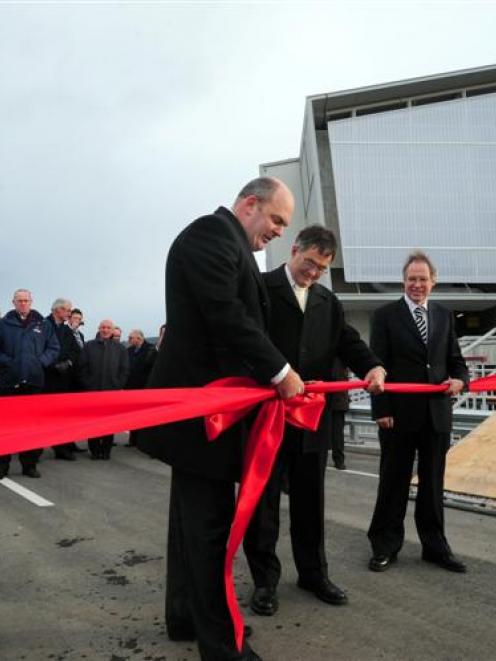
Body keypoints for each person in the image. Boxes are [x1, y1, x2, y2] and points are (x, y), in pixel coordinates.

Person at [138, 176, 304, 661]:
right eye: (276, 219)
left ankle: (186, 615)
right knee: (208, 531)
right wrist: (281, 372)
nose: (278, 232)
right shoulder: (211, 236)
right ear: (250, 204)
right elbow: (226, 316)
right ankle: (220, 646)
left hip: (212, 418)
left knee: (191, 527)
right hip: (201, 419)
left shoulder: (232, 246)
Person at [243, 226, 385, 617]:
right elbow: (245, 337)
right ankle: (265, 581)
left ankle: (313, 573)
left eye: (322, 268)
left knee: (310, 499)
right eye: (309, 263)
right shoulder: (261, 287)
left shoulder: (327, 300)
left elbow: (347, 341)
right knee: (264, 502)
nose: (313, 273)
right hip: (267, 415)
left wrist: (372, 365)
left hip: (311, 418)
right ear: (294, 250)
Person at [367, 251, 469, 573]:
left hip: (436, 415)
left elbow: (455, 360)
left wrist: (461, 380)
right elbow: (376, 364)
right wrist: (380, 408)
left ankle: (435, 547)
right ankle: (385, 545)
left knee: (433, 484)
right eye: (411, 279)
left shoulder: (443, 315)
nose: (417, 284)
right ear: (403, 281)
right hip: (397, 415)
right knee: (393, 483)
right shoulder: (384, 315)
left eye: (423, 279)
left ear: (433, 282)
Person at [0, 289, 59, 478]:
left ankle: (29, 465)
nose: (23, 303)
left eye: (26, 300)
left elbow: (54, 347)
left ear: (31, 302)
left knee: (31, 427)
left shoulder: (43, 324)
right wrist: (9, 362)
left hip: (34, 382)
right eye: (19, 300)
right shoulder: (3, 324)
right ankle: (2, 466)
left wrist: (40, 362)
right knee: (6, 426)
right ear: (13, 302)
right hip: (9, 382)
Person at [79, 319, 129, 460]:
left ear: (112, 330)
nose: (105, 330)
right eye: (103, 327)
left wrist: (118, 385)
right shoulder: (89, 346)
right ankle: (94, 451)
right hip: (92, 392)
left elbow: (124, 370)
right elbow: (82, 368)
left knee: (109, 424)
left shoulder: (120, 349)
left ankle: (106, 451)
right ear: (99, 329)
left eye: (108, 328)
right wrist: (88, 384)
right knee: (92, 423)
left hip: (111, 393)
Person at [45, 298, 82, 461]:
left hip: (63, 379)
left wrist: (68, 362)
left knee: (60, 417)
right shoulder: (42, 325)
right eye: (67, 310)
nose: (69, 313)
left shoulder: (67, 331)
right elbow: (37, 348)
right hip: (45, 377)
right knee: (41, 417)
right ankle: (32, 453)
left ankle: (60, 448)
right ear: (57, 310)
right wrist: (51, 364)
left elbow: (75, 351)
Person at [125, 329, 157, 446]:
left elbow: (153, 370)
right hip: (131, 389)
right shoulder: (129, 350)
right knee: (132, 416)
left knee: (146, 417)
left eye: (130, 338)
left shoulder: (151, 350)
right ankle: (133, 440)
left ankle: (145, 441)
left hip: (145, 389)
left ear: (138, 339)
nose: (128, 340)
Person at [329, 359, 349, 470]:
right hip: (339, 399)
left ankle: (339, 460)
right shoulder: (342, 360)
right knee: (337, 434)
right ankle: (339, 460)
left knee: (336, 433)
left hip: (333, 399)